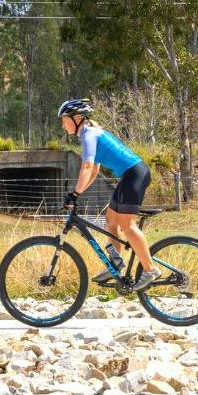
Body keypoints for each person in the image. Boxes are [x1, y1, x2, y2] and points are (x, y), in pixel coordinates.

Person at [56, 99, 159, 291]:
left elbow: (86, 167)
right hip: (130, 175)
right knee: (110, 220)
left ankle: (150, 269)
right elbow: (94, 170)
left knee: (127, 225)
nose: (63, 124)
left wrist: (75, 193)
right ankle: (115, 264)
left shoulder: (89, 134)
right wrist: (77, 194)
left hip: (134, 174)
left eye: (64, 119)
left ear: (77, 118)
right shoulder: (89, 134)